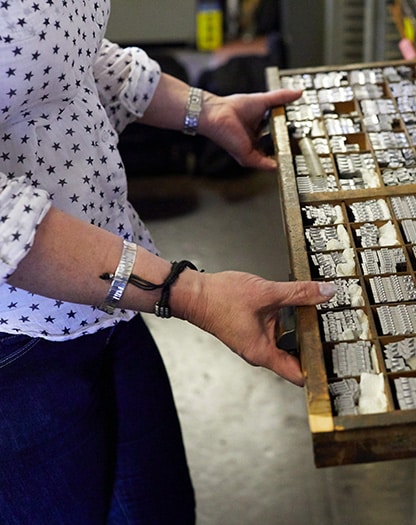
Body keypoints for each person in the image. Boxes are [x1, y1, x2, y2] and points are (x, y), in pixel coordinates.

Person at [0, 1, 334, 523]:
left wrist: (204, 108)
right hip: (18, 342)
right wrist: (190, 293)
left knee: (159, 509)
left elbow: (64, 53)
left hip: (111, 295)